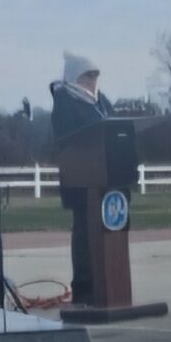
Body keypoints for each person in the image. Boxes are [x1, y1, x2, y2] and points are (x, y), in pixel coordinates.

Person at [51, 54, 112, 303]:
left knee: (108, 232)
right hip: (82, 183)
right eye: (88, 75)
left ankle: (110, 286)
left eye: (96, 75)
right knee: (84, 235)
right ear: (75, 76)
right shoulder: (65, 102)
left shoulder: (101, 101)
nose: (93, 80)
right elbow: (69, 139)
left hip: (108, 182)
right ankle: (85, 290)